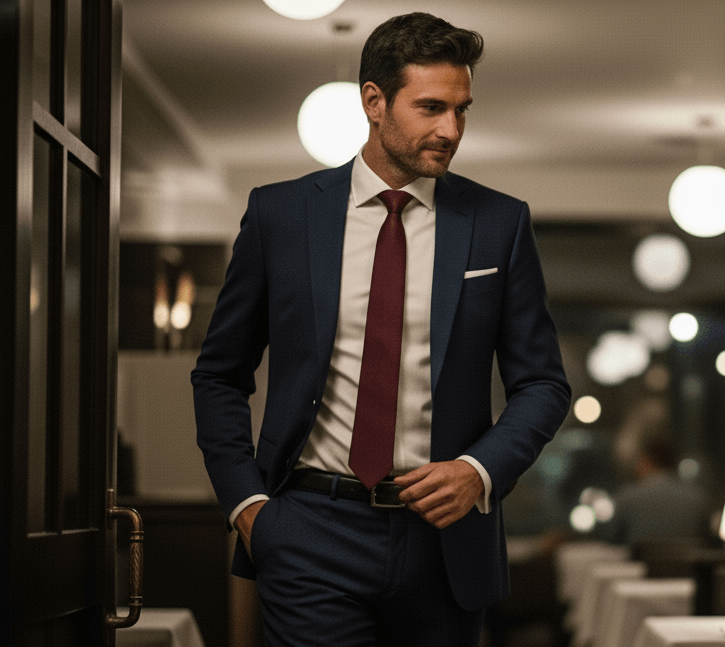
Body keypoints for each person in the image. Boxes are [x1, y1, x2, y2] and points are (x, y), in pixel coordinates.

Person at [191, 13, 570, 646]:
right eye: (431, 108)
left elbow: (544, 385)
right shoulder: (281, 216)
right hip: (310, 529)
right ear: (374, 101)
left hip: (446, 544)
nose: (451, 130)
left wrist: (478, 471)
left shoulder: (499, 223)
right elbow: (219, 374)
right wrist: (248, 508)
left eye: (462, 110)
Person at [604, 435, 710, 546]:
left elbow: (610, 539)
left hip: (637, 562)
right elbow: (706, 538)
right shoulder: (697, 497)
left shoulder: (627, 496)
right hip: (686, 563)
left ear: (646, 461)